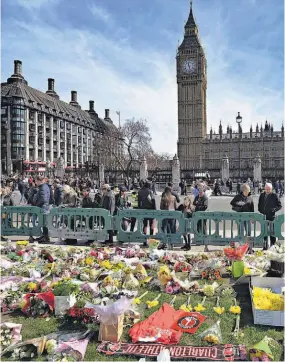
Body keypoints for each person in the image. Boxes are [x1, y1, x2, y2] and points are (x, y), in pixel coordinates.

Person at [258, 182, 282, 250]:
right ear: (264, 188)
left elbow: (279, 206)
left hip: (271, 217)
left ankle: (273, 246)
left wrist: (274, 209)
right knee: (264, 232)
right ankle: (265, 246)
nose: (268, 190)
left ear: (271, 189)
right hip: (263, 216)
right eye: (266, 189)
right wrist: (260, 210)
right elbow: (259, 203)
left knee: (272, 232)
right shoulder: (262, 195)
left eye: (269, 189)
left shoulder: (274, 195)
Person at [230, 183, 254, 250]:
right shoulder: (238, 196)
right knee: (241, 231)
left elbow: (252, 208)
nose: (248, 192)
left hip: (248, 217)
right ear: (243, 191)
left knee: (248, 232)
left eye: (248, 191)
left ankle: (248, 247)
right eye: (247, 191)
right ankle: (241, 246)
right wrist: (238, 203)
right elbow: (232, 203)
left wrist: (252, 218)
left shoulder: (250, 197)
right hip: (240, 217)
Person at [33, 176, 51, 243]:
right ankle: (44, 236)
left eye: (36, 181)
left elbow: (43, 199)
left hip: (43, 207)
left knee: (44, 222)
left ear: (39, 181)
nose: (35, 183)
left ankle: (45, 237)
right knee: (43, 222)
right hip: (44, 206)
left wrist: (37, 204)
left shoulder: (43, 187)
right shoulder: (44, 186)